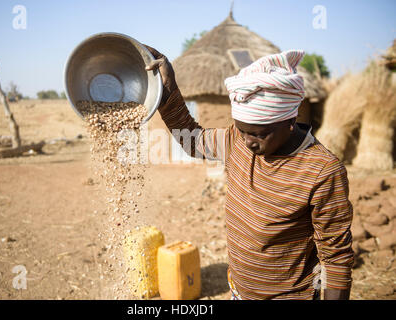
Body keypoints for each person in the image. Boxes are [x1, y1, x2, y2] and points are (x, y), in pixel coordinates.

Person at [144, 44, 354, 300]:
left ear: (289, 121)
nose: (249, 142)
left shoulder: (321, 171)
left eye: (258, 133)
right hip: (239, 292)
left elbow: (336, 258)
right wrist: (168, 92)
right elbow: (194, 140)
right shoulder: (237, 141)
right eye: (242, 130)